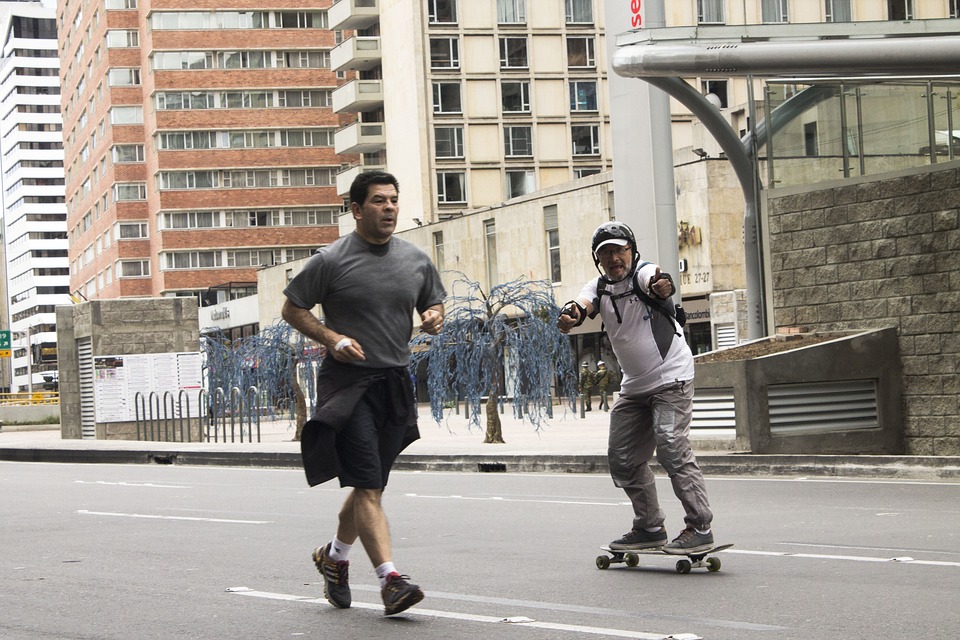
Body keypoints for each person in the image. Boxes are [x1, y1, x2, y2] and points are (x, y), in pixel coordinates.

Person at [281, 171, 446, 616]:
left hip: (394, 382)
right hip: (348, 382)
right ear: (356, 209)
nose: (389, 207)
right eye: (378, 201)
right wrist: (332, 338)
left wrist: (433, 315)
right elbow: (292, 308)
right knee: (369, 484)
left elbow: (435, 302)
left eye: (393, 200)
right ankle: (390, 579)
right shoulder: (330, 260)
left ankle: (333, 557)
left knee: (368, 485)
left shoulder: (415, 259)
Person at [557, 221, 715, 555]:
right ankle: (650, 526)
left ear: (631, 251)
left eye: (619, 250)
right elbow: (580, 305)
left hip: (671, 377)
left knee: (671, 446)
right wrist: (569, 315)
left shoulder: (644, 273)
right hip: (635, 386)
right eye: (606, 253)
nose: (614, 258)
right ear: (598, 259)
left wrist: (663, 285)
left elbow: (658, 279)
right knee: (622, 457)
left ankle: (699, 526)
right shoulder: (599, 287)